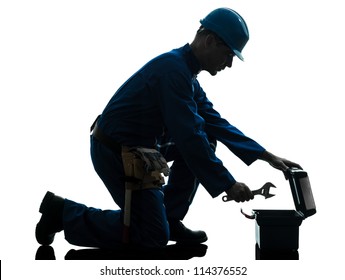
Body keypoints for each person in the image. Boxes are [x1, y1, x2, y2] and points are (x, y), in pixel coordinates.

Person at [36, 8, 301, 249]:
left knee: (207, 137)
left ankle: (170, 218)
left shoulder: (186, 74)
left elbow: (214, 122)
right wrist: (228, 184)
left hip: (139, 149)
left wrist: (268, 157)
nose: (229, 64)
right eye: (229, 54)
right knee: (151, 235)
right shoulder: (173, 73)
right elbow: (188, 137)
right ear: (210, 41)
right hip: (116, 153)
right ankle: (62, 213)